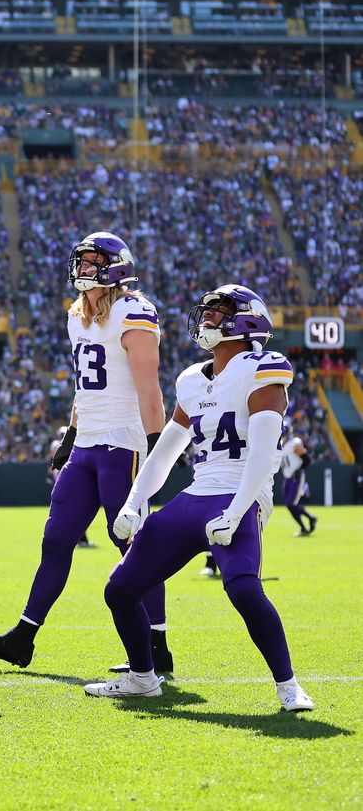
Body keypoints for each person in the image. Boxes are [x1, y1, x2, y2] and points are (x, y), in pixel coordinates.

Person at [86, 285, 314, 712]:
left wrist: (236, 510)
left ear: (246, 321)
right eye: (207, 311)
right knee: (119, 589)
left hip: (238, 493)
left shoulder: (263, 368)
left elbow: (264, 456)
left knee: (244, 590)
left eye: (219, 311)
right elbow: (166, 451)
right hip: (197, 494)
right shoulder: (193, 379)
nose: (207, 318)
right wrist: (135, 501)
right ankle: (142, 678)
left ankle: (288, 686)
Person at [0, 233, 171, 674]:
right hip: (88, 444)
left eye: (93, 261)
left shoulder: (133, 311)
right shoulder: (76, 316)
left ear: (116, 266)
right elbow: (84, 385)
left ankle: (158, 645)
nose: (82, 269)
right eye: (80, 261)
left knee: (132, 545)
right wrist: (69, 435)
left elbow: (148, 386)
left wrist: (157, 448)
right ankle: (23, 638)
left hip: (123, 442)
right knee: (56, 539)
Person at [279, 427, 318, 536]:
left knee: (291, 503)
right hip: (287, 478)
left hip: (296, 477)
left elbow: (307, 459)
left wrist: (299, 470)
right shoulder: (281, 446)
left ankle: (310, 518)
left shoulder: (293, 444)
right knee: (289, 505)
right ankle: (304, 528)